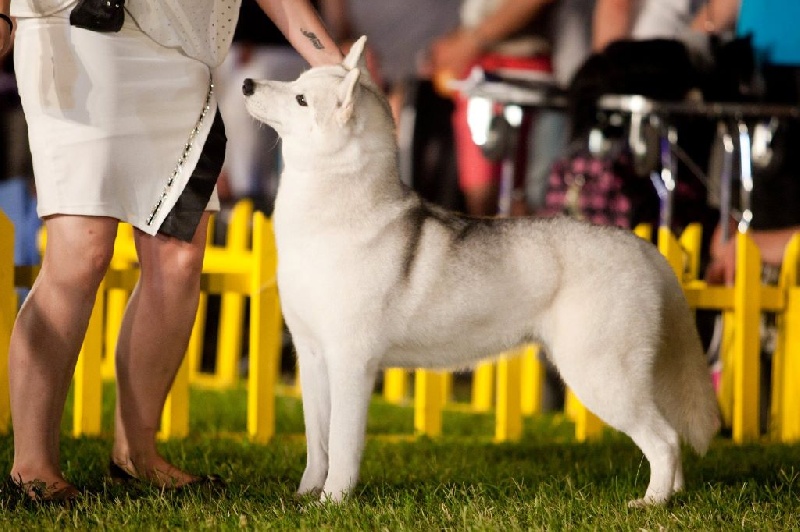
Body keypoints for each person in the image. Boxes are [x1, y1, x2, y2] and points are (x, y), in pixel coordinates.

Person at [3, 0, 342, 502]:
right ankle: (32, 465)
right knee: (82, 251)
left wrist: (337, 68)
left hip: (182, 49)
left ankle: (137, 454)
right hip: (77, 29)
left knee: (179, 261)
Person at [429, 0, 558, 216]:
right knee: (481, 199)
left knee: (519, 199)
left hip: (520, 71)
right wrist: (454, 43)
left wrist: (472, 41)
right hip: (479, 74)